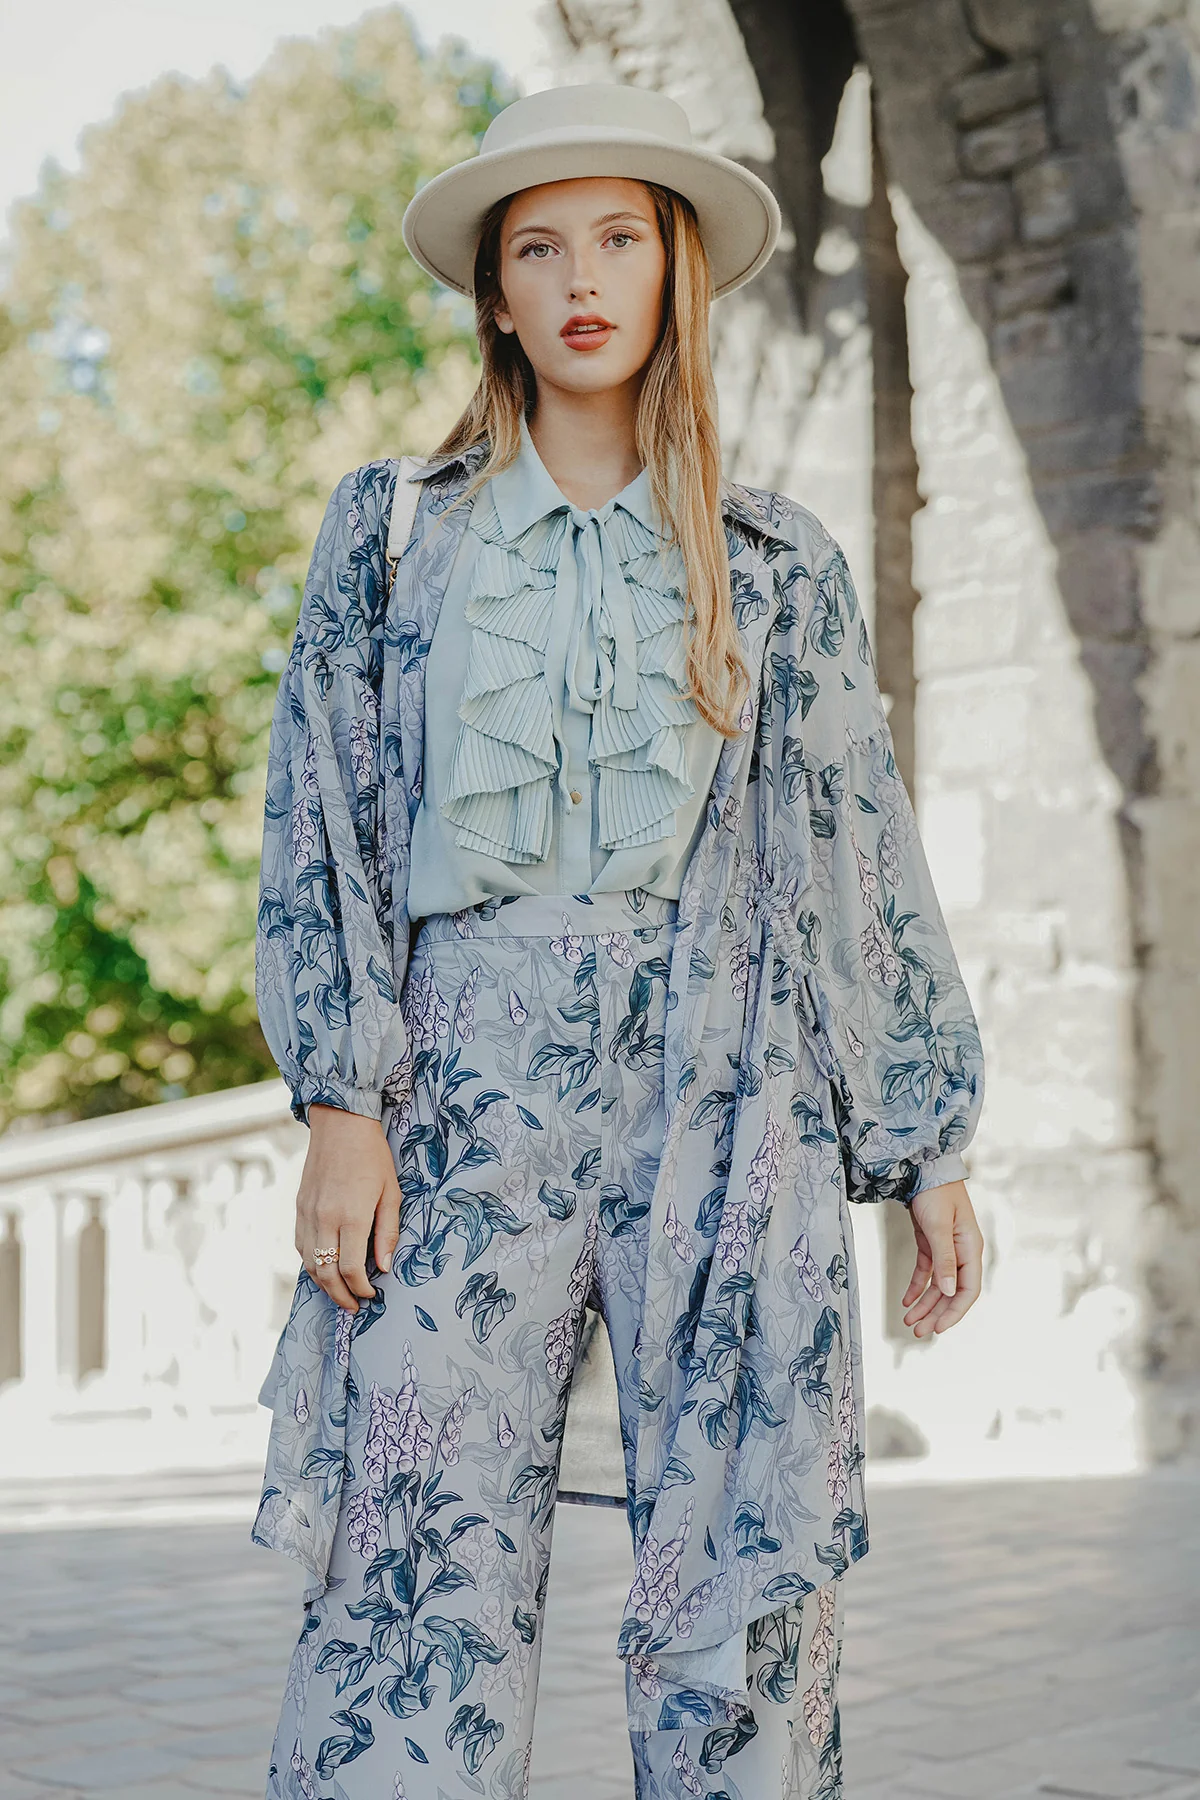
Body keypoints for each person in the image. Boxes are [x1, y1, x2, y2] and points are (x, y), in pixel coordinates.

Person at [250, 81, 985, 1800]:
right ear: (495, 293)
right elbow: (321, 821)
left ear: (675, 274)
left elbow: (853, 853)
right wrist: (342, 1104)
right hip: (456, 1095)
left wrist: (925, 1141)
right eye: (538, 248)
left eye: (618, 241)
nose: (581, 279)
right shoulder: (393, 532)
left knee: (739, 1585)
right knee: (409, 1570)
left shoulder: (777, 563)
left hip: (731, 1102)